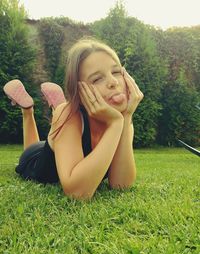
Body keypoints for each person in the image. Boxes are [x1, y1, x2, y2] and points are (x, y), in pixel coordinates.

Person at [3, 38, 144, 200]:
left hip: (64, 142)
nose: (113, 82)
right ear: (80, 92)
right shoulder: (72, 115)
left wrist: (124, 119)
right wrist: (115, 124)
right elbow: (78, 193)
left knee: (63, 120)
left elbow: (121, 185)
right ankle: (28, 111)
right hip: (35, 158)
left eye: (116, 72)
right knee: (60, 121)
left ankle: (57, 114)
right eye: (97, 79)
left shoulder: (122, 120)